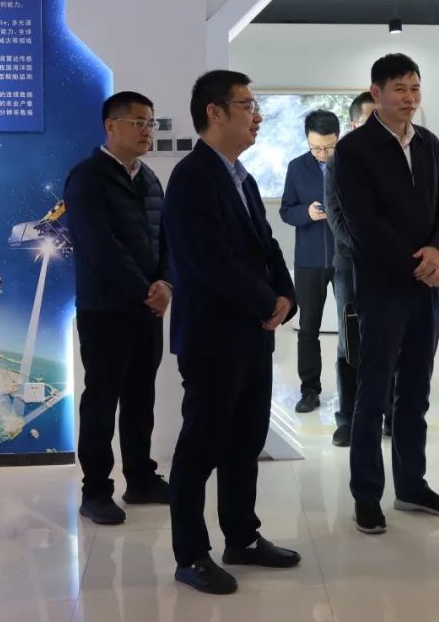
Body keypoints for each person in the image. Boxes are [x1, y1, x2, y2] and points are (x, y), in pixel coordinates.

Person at [164, 70, 301, 595]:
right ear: (215, 113)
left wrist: (285, 295)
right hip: (213, 337)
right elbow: (209, 262)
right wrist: (266, 301)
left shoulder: (241, 176)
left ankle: (241, 537)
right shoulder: (192, 177)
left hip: (252, 334)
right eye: (246, 105)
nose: (256, 115)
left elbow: (267, 245)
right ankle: (190, 554)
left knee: (245, 442)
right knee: (200, 448)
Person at [332, 54, 439, 534]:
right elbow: (363, 224)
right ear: (377, 93)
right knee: (373, 393)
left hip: (428, 288)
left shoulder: (428, 143)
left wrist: (438, 252)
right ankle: (367, 495)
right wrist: (418, 265)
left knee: (416, 391)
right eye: (400, 89)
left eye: (415, 88)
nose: (410, 98)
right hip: (383, 289)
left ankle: (411, 486)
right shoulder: (354, 150)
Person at [64, 91, 171, 526]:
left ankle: (141, 478)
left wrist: (165, 283)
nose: (147, 130)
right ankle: (95, 491)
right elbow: (99, 246)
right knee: (102, 399)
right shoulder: (86, 178)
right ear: (111, 126)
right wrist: (145, 289)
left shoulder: (150, 180)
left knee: (141, 397)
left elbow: (165, 239)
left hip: (148, 310)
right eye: (138, 122)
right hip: (105, 309)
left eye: (150, 122)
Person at [324, 91, 393, 446]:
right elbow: (335, 216)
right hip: (351, 264)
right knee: (349, 341)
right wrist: (369, 249)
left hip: (390, 265)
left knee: (390, 339)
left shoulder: (395, 158)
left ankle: (390, 414)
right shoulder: (338, 161)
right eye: (370, 119)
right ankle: (347, 419)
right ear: (353, 125)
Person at [279, 110, 339, 413]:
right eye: (316, 148)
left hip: (346, 259)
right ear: (307, 140)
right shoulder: (296, 167)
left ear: (338, 138)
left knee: (353, 326)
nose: (323, 154)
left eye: (329, 147)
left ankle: (354, 391)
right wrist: (307, 213)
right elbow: (286, 211)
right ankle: (310, 390)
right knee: (308, 328)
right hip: (309, 260)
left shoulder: (351, 165)